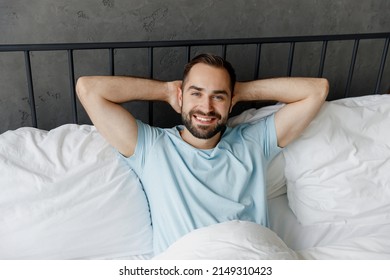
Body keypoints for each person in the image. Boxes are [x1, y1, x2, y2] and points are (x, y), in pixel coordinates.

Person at [76, 53, 328, 255]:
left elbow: (317, 90)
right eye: (196, 93)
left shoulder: (254, 141)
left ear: (231, 103)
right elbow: (89, 89)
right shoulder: (151, 147)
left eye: (217, 97)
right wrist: (165, 91)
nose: (206, 107)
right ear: (181, 97)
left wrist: (240, 91)